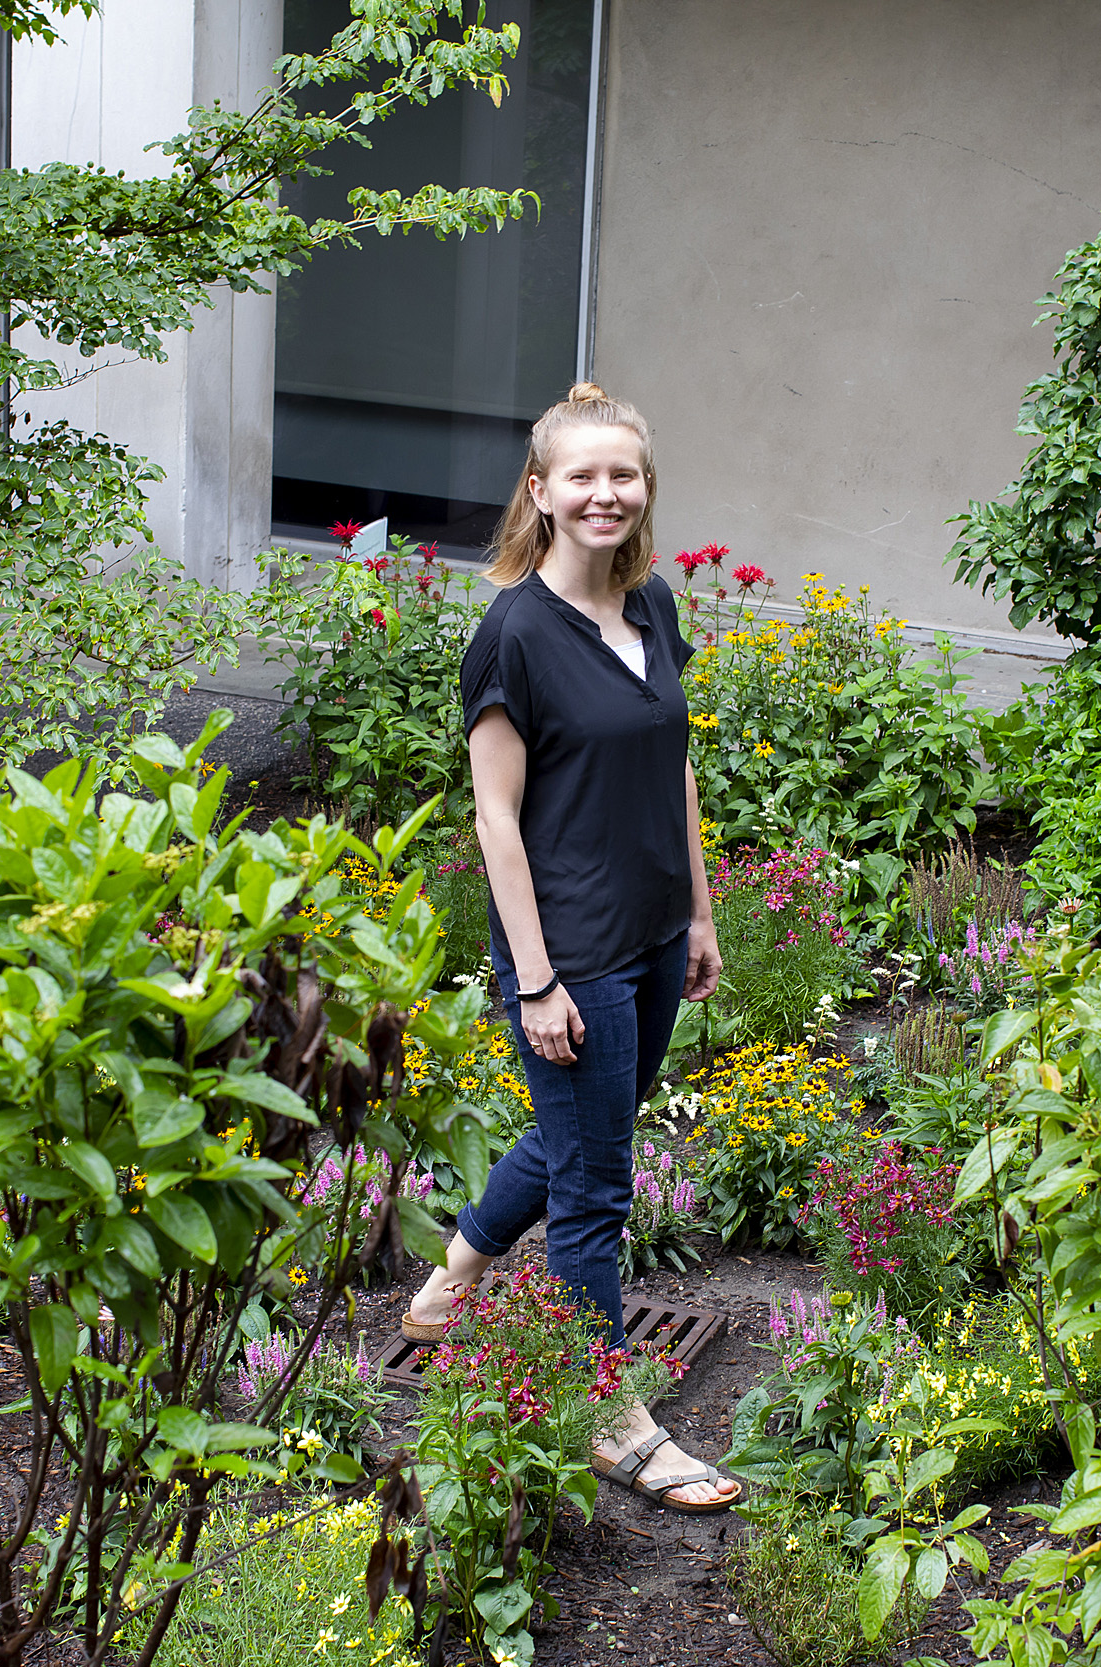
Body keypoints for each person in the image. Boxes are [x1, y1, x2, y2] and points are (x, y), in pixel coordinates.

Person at [400, 381, 741, 1514]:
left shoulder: (652, 611)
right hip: (571, 946)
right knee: (595, 1184)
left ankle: (450, 1282)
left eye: (623, 475)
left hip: (650, 931)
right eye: (581, 476)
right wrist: (534, 979)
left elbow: (673, 765)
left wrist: (697, 911)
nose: (605, 494)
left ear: (644, 488)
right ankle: (610, 1414)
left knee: (578, 1136)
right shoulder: (514, 634)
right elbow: (496, 819)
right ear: (539, 493)